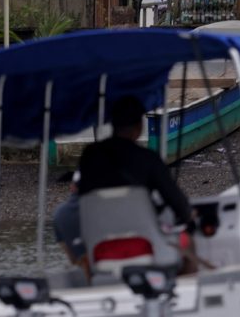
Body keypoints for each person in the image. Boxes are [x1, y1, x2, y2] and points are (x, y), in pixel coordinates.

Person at [77, 96, 198, 271]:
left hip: (99, 252)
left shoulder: (89, 156)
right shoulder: (147, 158)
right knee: (188, 241)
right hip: (147, 248)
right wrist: (189, 216)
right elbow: (177, 202)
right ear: (139, 127)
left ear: (113, 124)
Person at [53, 171, 89, 277]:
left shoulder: (59, 213)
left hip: (84, 271)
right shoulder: (106, 207)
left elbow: (72, 257)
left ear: (73, 187)